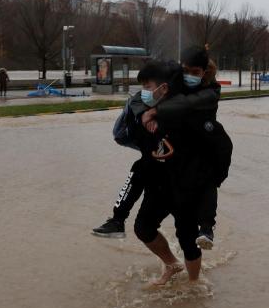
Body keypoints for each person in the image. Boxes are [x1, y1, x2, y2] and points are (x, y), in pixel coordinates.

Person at [93, 47, 230, 252]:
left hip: (195, 152)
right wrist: (144, 115)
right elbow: (141, 96)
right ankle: (118, 219)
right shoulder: (170, 82)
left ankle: (207, 229)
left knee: (204, 188)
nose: (189, 76)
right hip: (164, 155)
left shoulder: (209, 91)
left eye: (195, 73)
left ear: (204, 73)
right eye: (186, 71)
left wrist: (157, 111)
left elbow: (189, 104)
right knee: (140, 170)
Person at [121, 61, 222, 284]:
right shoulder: (151, 99)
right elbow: (137, 100)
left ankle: (194, 284)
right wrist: (146, 113)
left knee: (187, 237)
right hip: (157, 182)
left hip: (184, 183)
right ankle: (172, 264)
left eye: (194, 71)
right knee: (143, 227)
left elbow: (209, 98)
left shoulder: (194, 104)